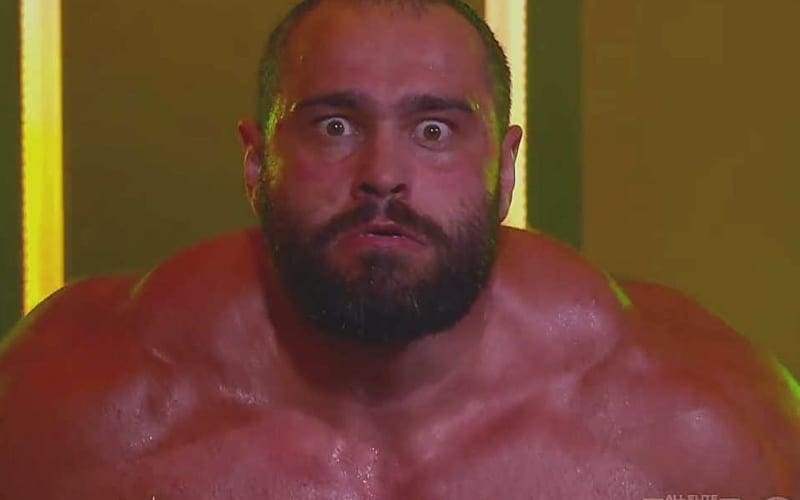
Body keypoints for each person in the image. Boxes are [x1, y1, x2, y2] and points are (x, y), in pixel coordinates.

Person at [1, 0, 798, 498]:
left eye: (434, 130)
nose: (383, 174)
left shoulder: (695, 424)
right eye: (334, 125)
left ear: (507, 168)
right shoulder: (78, 409)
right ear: (256, 162)